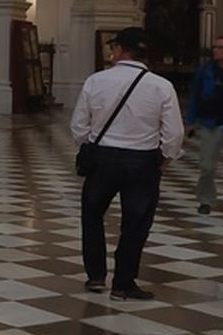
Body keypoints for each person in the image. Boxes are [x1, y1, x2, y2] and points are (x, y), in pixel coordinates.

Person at [72, 27, 184, 300]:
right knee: (135, 224)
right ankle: (123, 283)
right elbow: (174, 133)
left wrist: (90, 145)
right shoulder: (161, 86)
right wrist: (165, 158)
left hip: (103, 160)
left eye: (114, 48)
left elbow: (78, 126)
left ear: (120, 50)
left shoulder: (96, 81)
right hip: (143, 162)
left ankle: (96, 276)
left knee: (92, 216)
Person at [186, 35, 223, 216]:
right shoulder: (205, 72)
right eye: (215, 47)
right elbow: (195, 96)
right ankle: (205, 200)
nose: (216, 50)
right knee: (207, 166)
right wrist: (190, 120)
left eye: (221, 47)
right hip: (210, 123)